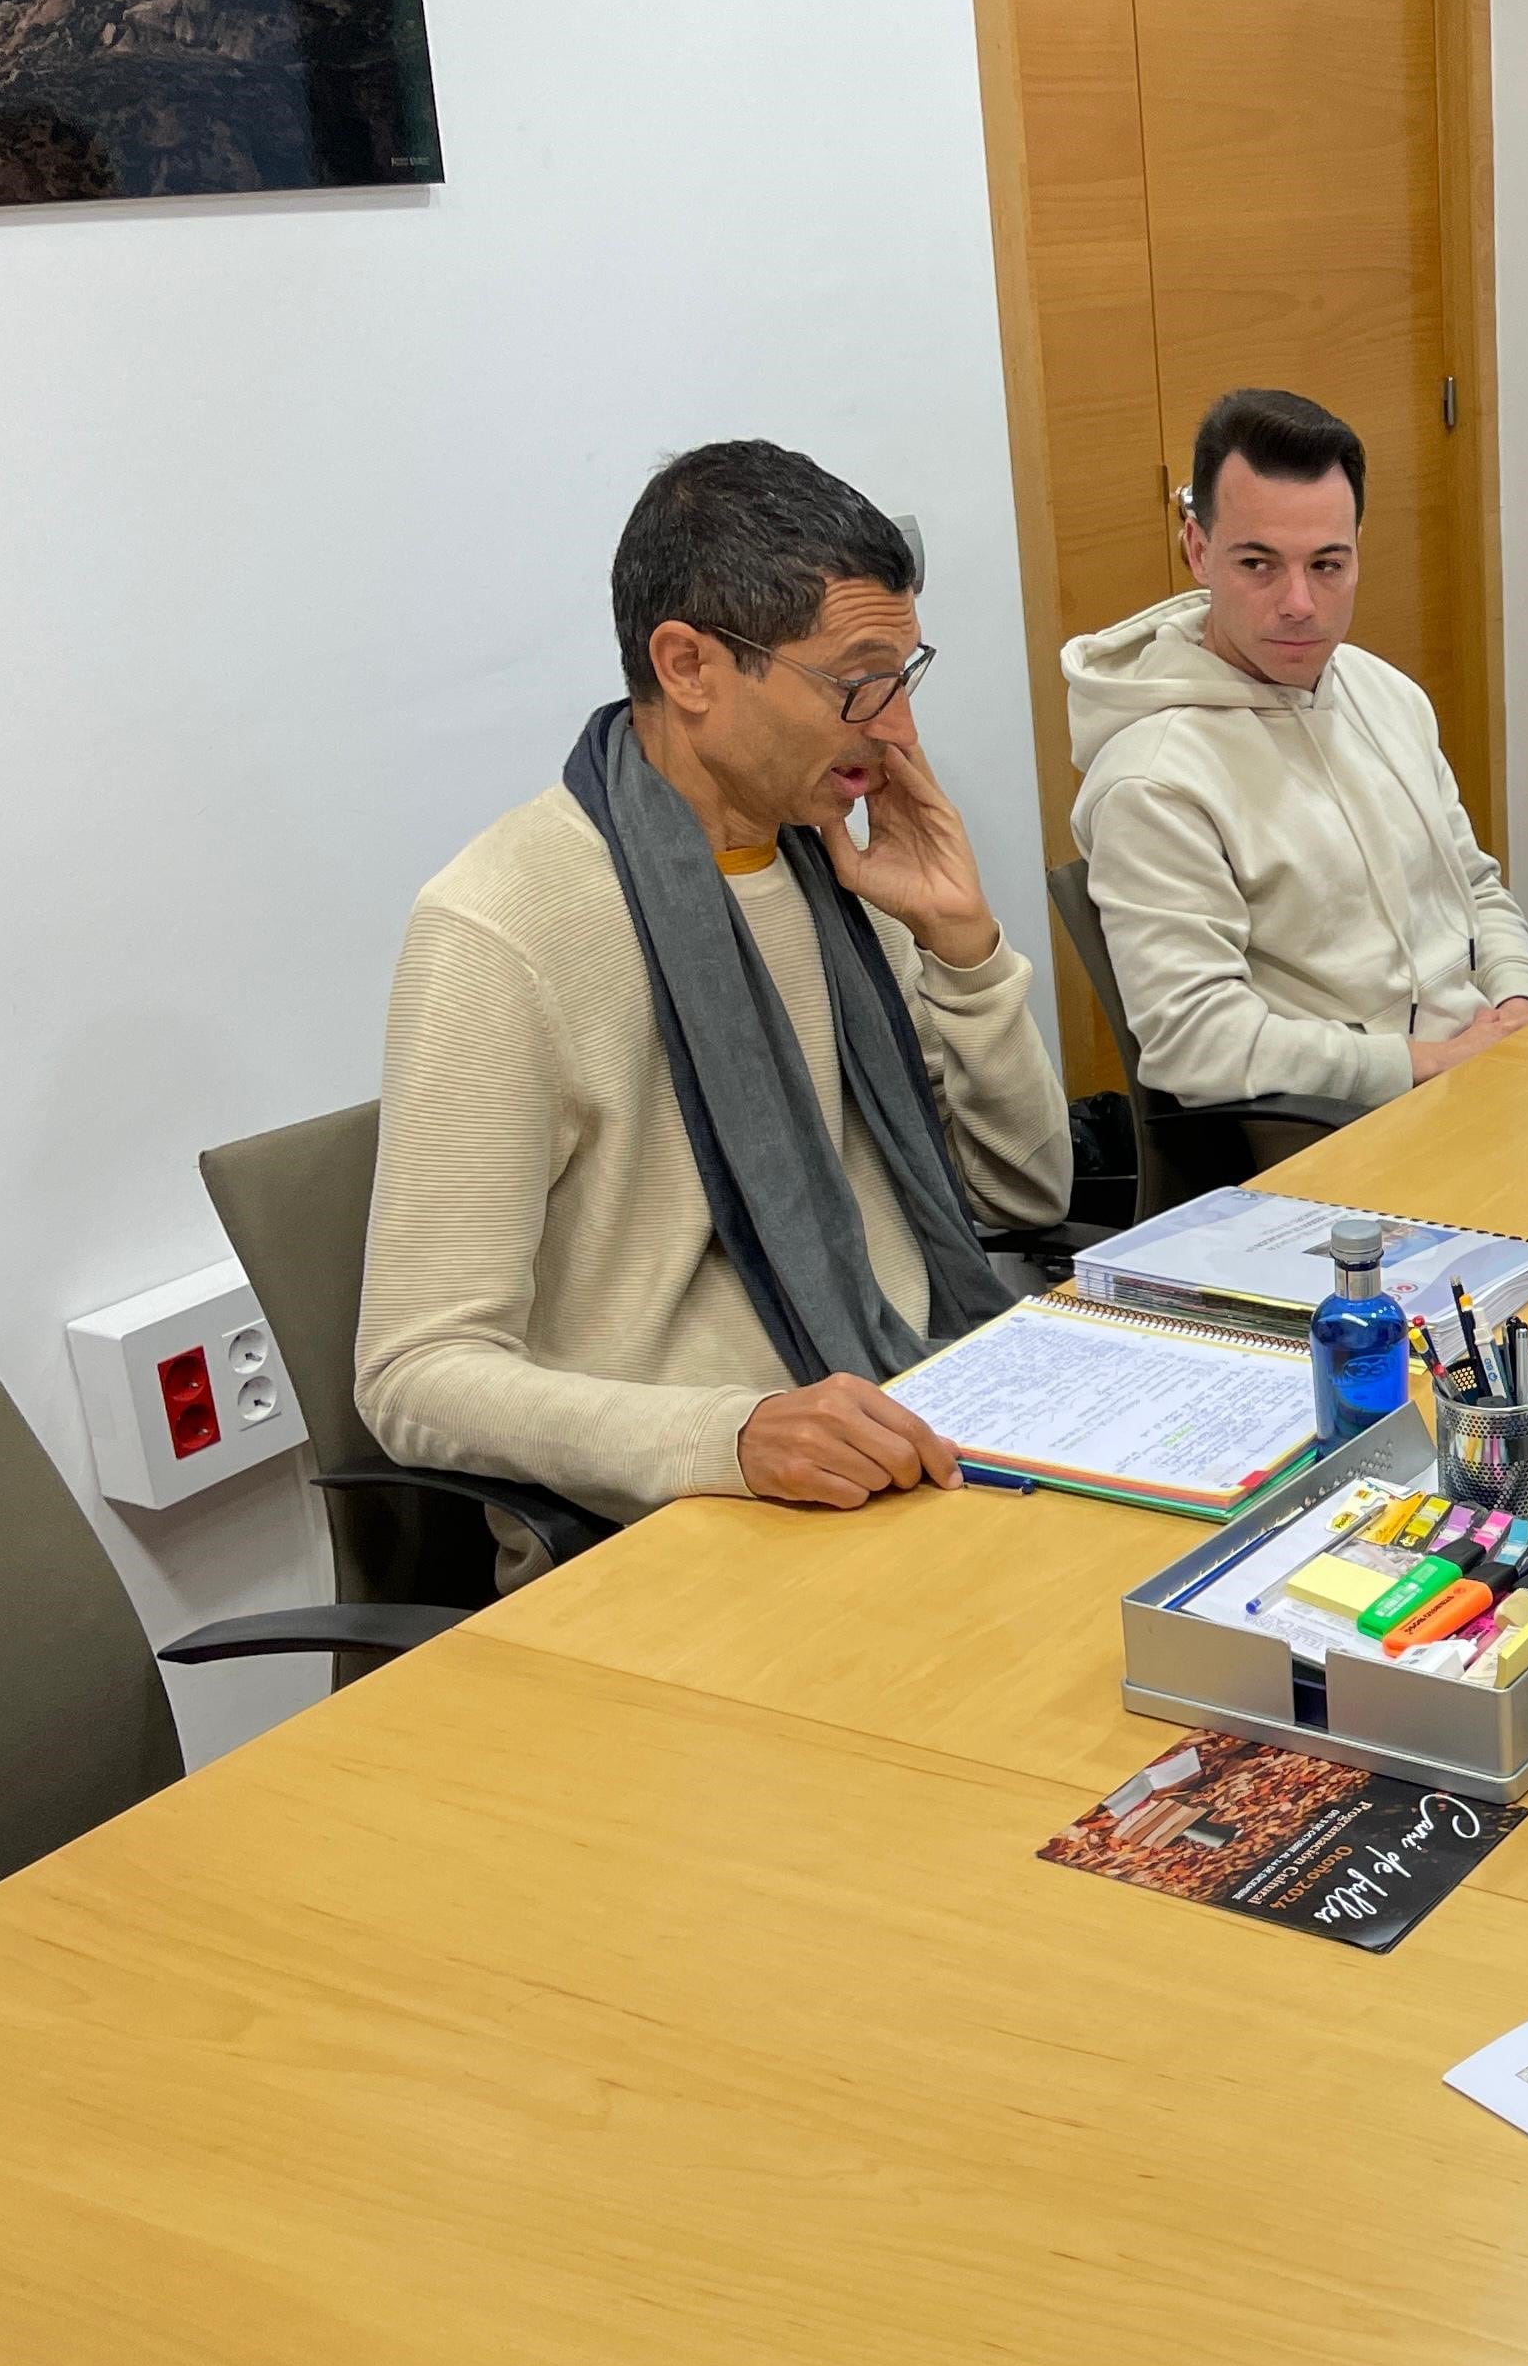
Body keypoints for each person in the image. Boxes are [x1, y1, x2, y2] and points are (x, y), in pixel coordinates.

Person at [361, 443, 1070, 1545]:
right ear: (689, 666)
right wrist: (729, 1438)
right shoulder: (502, 925)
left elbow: (1025, 1193)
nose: (896, 728)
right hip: (682, 1516)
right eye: (855, 682)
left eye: (904, 674)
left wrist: (965, 950)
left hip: (914, 1419)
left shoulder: (831, 858)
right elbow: (415, 1371)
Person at [1065, 387, 1528, 1111]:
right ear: (1198, 551)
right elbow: (1197, 1041)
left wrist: (1522, 1000)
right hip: (1343, 1132)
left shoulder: (1383, 693)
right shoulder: (1155, 779)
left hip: (1480, 1078)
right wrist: (1422, 1063)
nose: (1299, 603)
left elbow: (1473, 887)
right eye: (1258, 564)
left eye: (1328, 565)